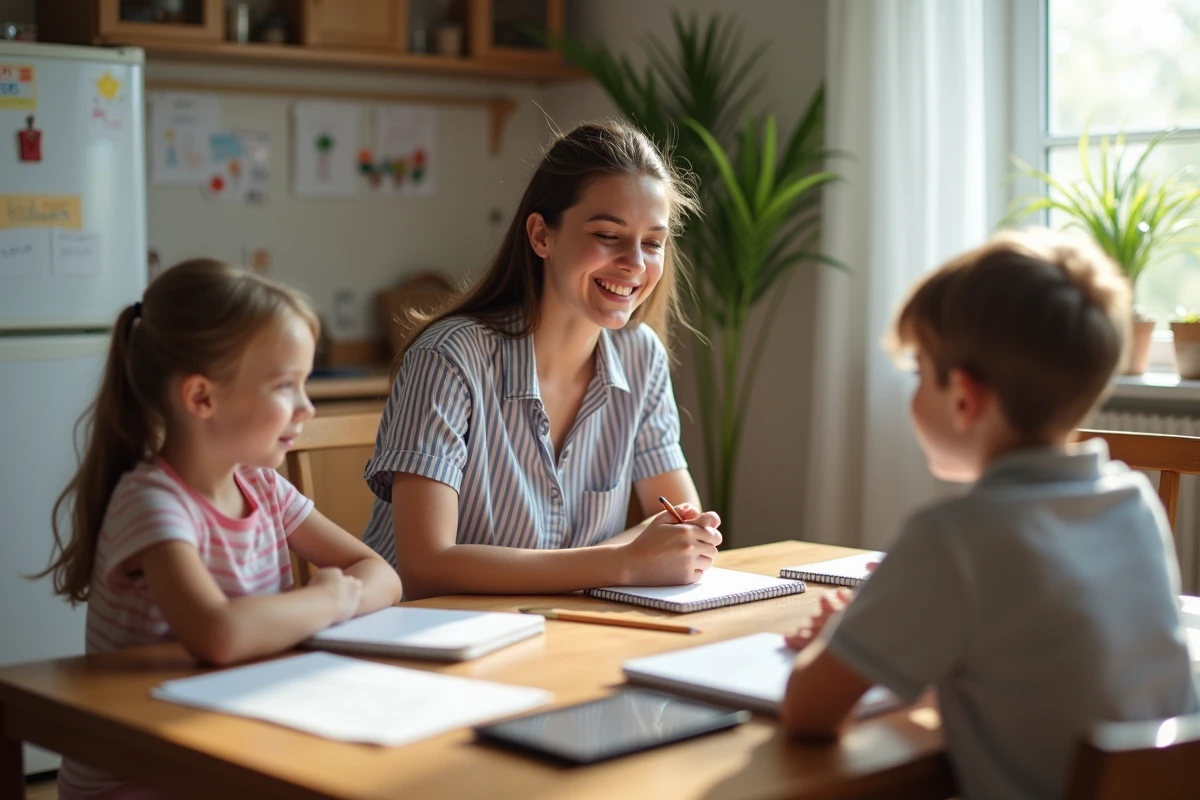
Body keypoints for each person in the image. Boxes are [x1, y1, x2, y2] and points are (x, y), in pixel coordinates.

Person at [779, 229, 1199, 800]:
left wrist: (839, 635)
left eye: (919, 371)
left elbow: (809, 712)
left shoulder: (952, 538)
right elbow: (1034, 669)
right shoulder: (1132, 504)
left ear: (963, 398)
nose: (912, 390)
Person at [39, 259, 403, 800]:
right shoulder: (152, 502)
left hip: (227, 743)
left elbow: (381, 574)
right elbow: (219, 635)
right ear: (201, 398)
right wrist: (327, 600)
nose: (306, 407)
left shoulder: (262, 487)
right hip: (146, 775)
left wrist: (334, 597)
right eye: (286, 385)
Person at [361, 119, 722, 600]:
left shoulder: (641, 358)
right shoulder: (450, 358)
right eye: (609, 235)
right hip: (423, 639)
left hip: (555, 632)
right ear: (541, 236)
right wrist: (622, 562)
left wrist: (649, 553)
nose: (635, 263)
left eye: (653, 242)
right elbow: (427, 565)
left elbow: (679, 518)